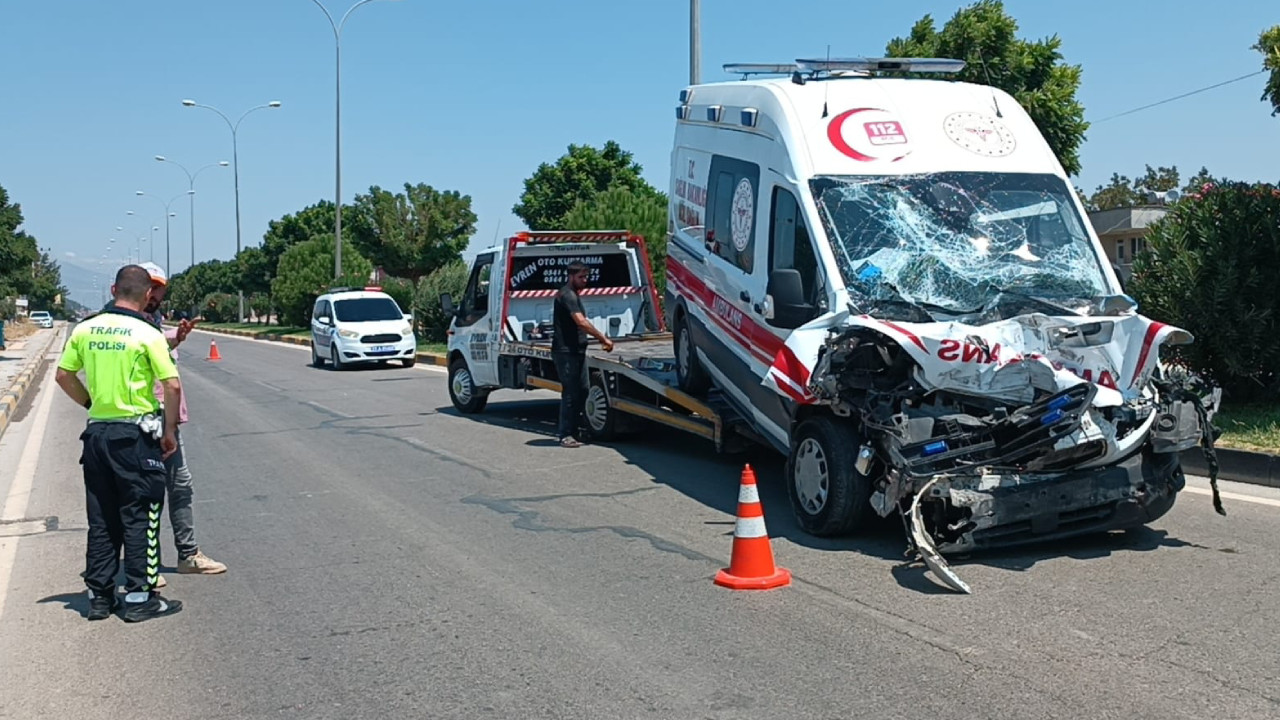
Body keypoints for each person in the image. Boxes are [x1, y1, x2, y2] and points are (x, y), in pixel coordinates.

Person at [54, 264, 184, 622]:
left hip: (96, 436)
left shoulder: (86, 329)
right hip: (136, 437)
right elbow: (171, 385)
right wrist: (169, 431)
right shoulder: (146, 332)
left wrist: (90, 404)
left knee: (102, 518)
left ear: (113, 289)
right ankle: (141, 597)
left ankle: (100, 596)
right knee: (140, 515)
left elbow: (64, 375)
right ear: (146, 295)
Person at [137, 261, 227, 580]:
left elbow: (158, 347)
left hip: (166, 417)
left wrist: (177, 337)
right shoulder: (130, 323)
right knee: (147, 491)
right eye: (151, 287)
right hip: (146, 417)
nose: (156, 294)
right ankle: (144, 567)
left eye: (159, 288)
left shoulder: (153, 319)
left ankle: (187, 554)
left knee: (179, 487)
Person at [551, 261, 614, 448]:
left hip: (577, 351)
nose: (585, 280)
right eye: (581, 277)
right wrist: (603, 338)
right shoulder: (567, 295)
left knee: (583, 390)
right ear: (571, 276)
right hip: (565, 351)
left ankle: (577, 430)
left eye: (586, 276)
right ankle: (565, 434)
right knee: (570, 393)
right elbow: (581, 322)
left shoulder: (573, 295)